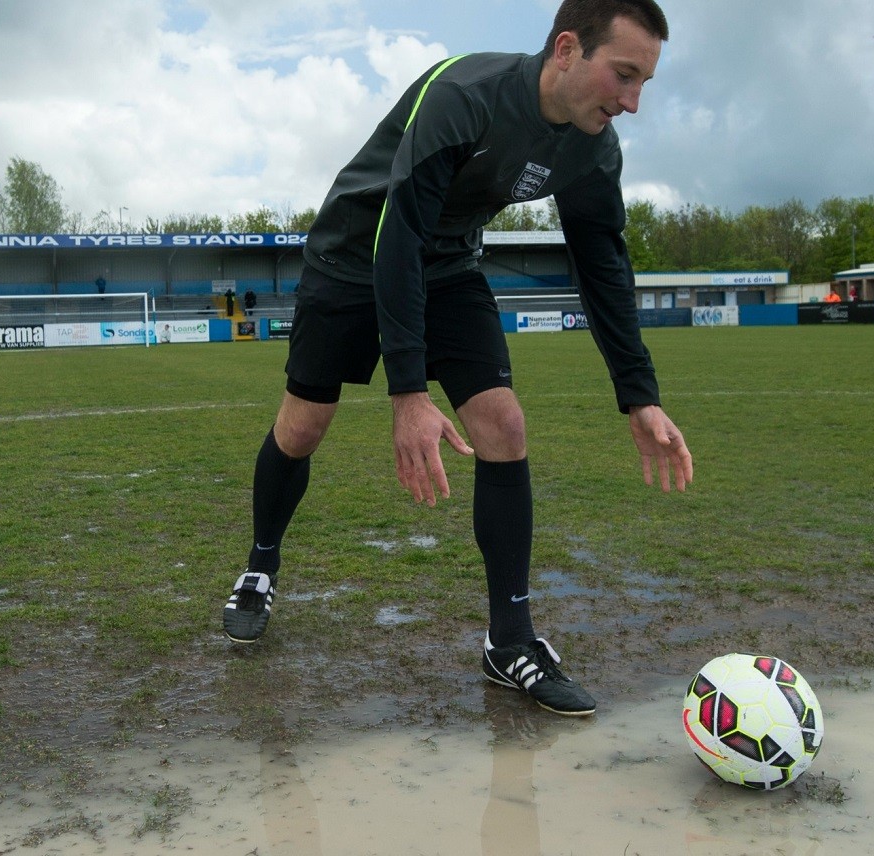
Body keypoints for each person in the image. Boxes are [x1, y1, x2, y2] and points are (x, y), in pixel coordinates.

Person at [222, 0, 693, 717]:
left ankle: (510, 641)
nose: (632, 103)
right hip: (353, 257)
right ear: (567, 49)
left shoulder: (593, 148)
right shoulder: (465, 96)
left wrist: (640, 394)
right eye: (623, 75)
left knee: (504, 424)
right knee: (303, 427)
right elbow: (399, 233)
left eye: (644, 84)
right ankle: (260, 567)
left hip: (447, 267)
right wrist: (409, 394)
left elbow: (603, 264)